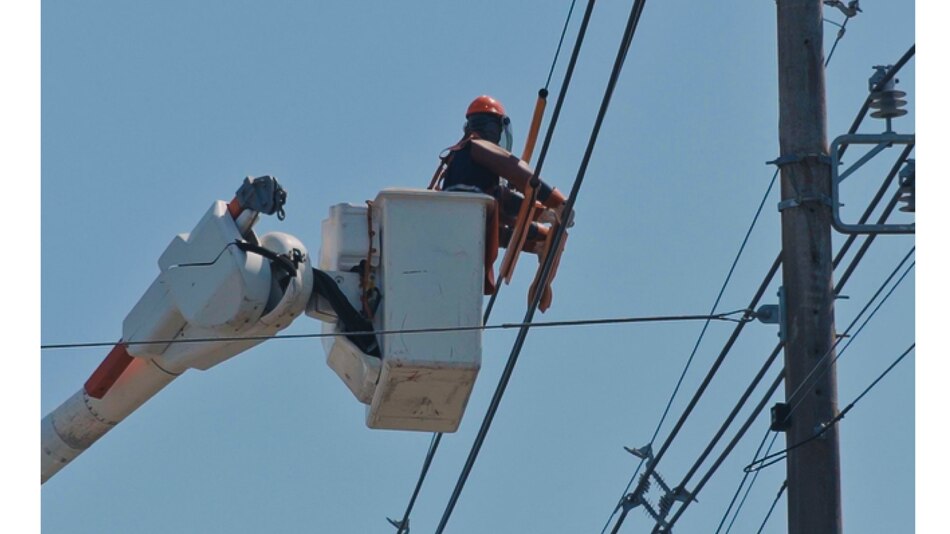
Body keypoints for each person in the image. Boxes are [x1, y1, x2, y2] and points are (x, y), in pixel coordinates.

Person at [433, 95, 568, 254]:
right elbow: (514, 169)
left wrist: (538, 239)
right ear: (493, 127)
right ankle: (545, 218)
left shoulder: (459, 158)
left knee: (493, 209)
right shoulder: (477, 146)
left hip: (459, 235)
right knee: (497, 197)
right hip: (462, 228)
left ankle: (539, 239)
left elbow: (496, 227)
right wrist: (556, 201)